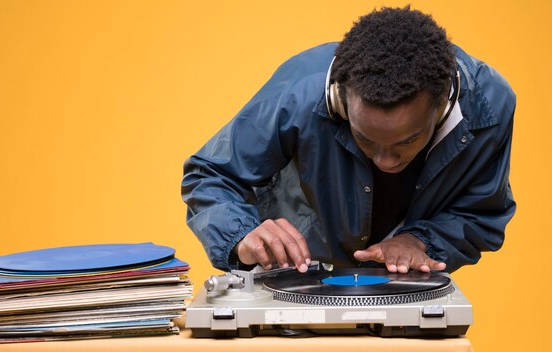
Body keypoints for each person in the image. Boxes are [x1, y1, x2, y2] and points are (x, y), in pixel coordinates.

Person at [181, 6, 516, 274]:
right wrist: (240, 234)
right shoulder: (300, 92)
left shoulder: (490, 108)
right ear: (339, 99)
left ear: (443, 104)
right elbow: (211, 174)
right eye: (364, 139)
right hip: (296, 281)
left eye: (408, 141)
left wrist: (421, 241)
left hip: (403, 291)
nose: (385, 161)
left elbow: (480, 214)